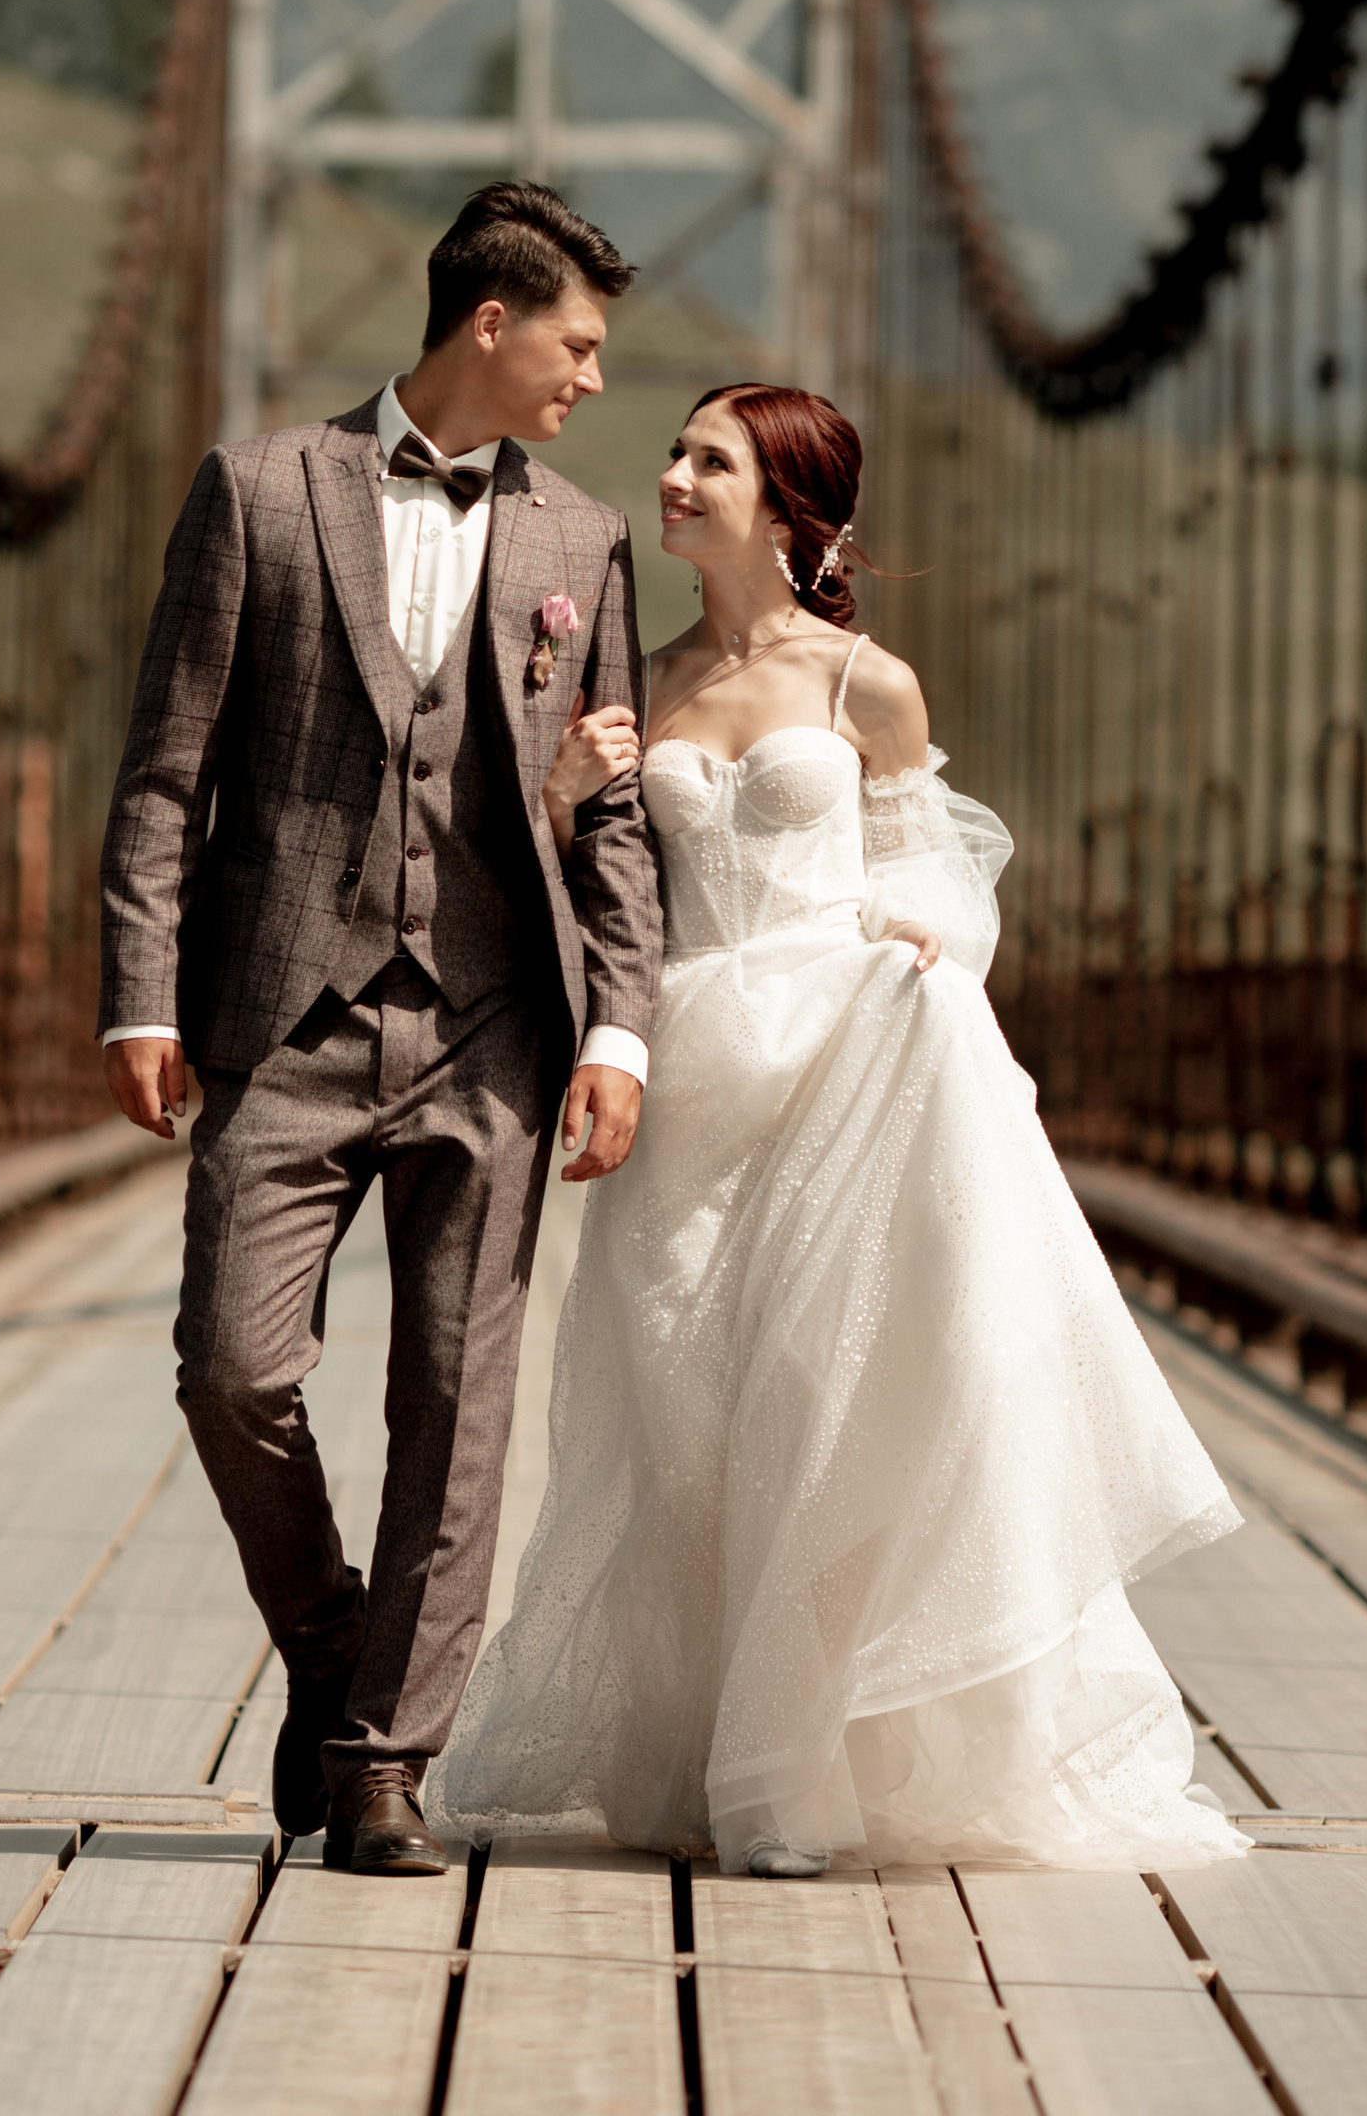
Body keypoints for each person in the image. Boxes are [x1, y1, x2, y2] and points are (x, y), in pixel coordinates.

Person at [437, 380, 1245, 1876]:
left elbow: (943, 879)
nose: (671, 475)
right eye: (676, 451)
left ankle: (788, 1778)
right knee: (683, 1422)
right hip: (692, 1079)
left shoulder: (869, 685)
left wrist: (917, 935)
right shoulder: (644, 683)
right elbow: (585, 907)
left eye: (710, 460)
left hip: (844, 1063)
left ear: (791, 508)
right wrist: (560, 803)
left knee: (819, 1406)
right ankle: (704, 1743)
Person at [97, 181, 662, 1879]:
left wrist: (620, 1029)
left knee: (455, 1402)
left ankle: (382, 1769)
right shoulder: (260, 491)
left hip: (497, 1028)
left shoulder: (583, 539)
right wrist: (142, 987)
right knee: (232, 1368)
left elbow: (617, 814)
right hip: (284, 1015)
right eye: (577, 344)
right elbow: (162, 777)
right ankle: (339, 1650)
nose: (592, 382)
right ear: (489, 324)